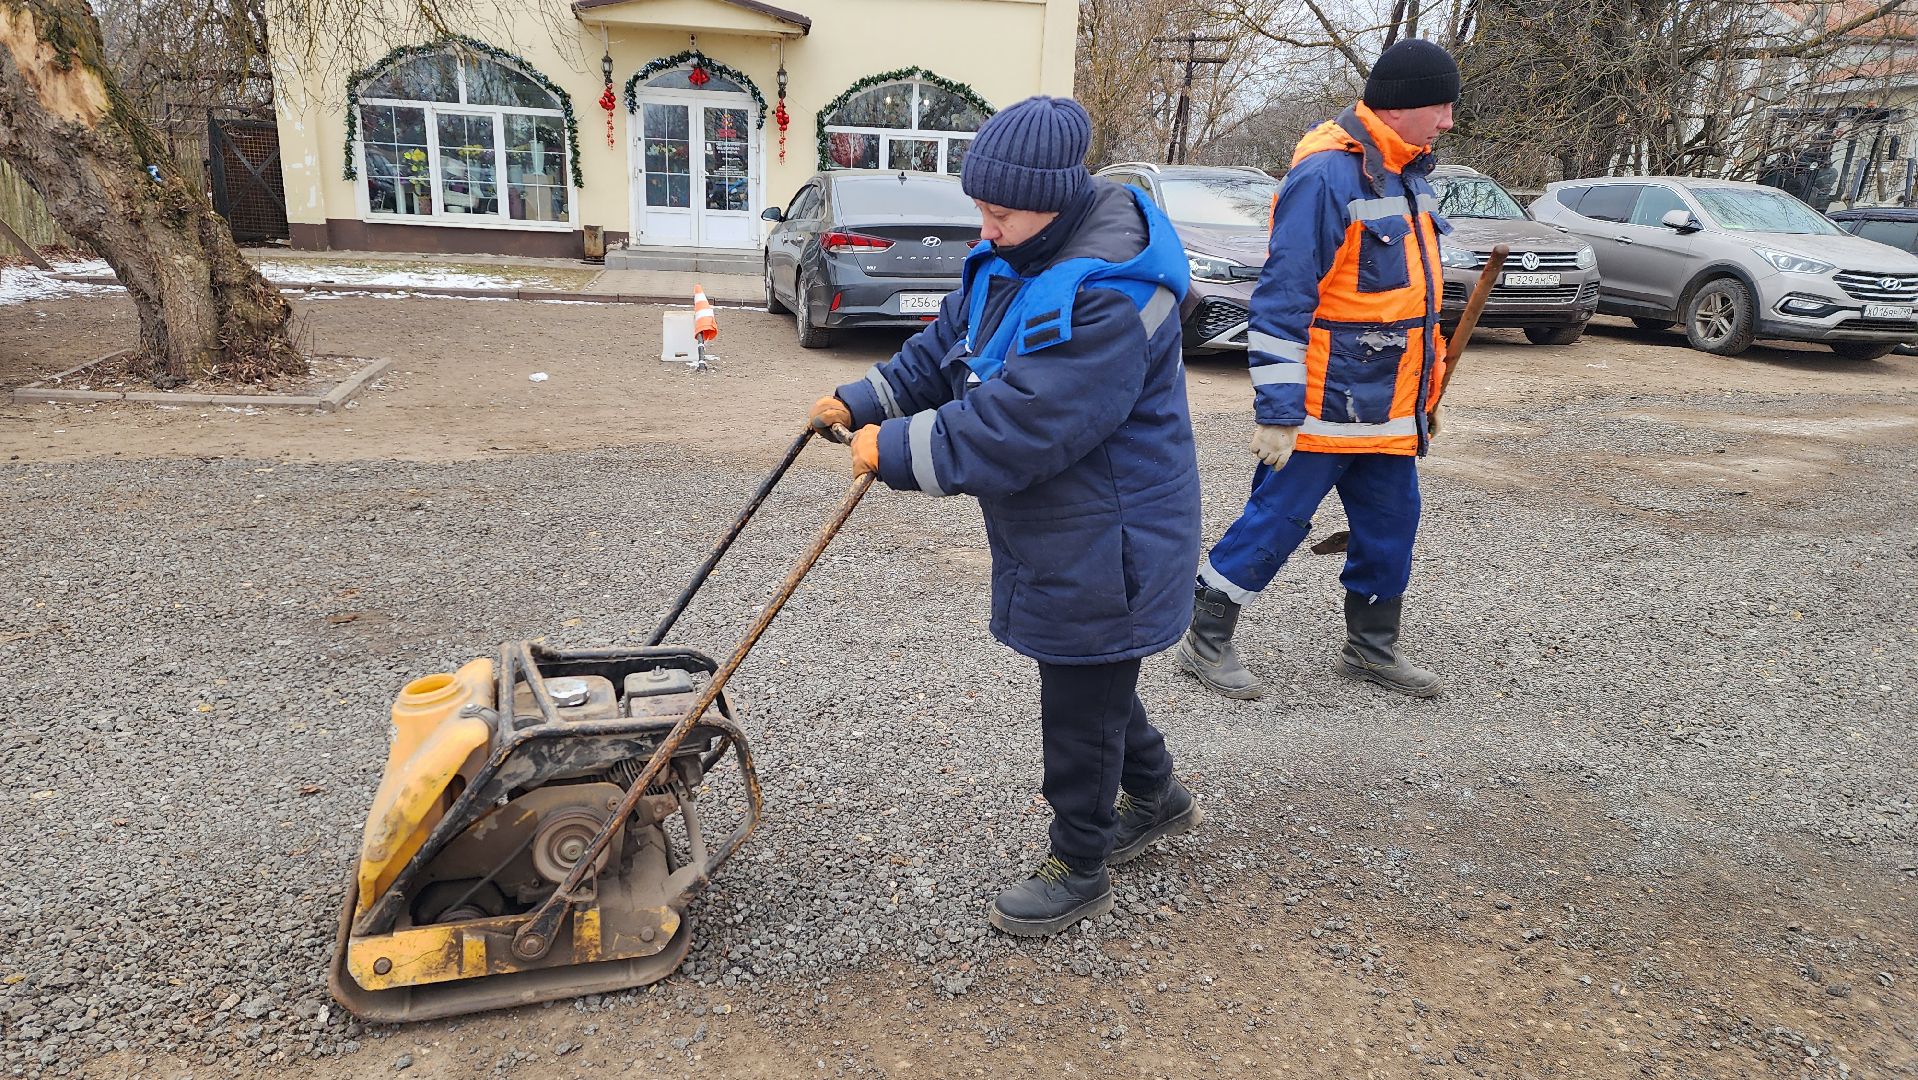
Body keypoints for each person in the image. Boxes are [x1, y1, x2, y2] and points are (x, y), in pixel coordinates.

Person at [806, 96, 1203, 937]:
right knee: (1095, 671)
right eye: (978, 209)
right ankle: (1158, 794)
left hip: (1113, 532)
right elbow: (945, 347)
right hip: (1068, 524)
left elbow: (1026, 420)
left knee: (1082, 690)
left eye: (999, 212)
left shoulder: (1106, 294)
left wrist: (900, 449)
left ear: (1055, 199)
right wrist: (862, 399)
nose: (983, 229)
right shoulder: (1012, 256)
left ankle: (1081, 862)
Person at [1176, 38, 1461, 702]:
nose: (1447, 121)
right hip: (1324, 404)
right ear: (1400, 105)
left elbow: (1409, 302)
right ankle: (1205, 641)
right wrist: (1277, 411)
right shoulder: (1327, 176)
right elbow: (1282, 300)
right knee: (1273, 524)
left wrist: (1429, 388)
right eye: (1440, 107)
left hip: (1389, 409)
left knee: (1392, 530)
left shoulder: (1406, 174)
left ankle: (1371, 649)